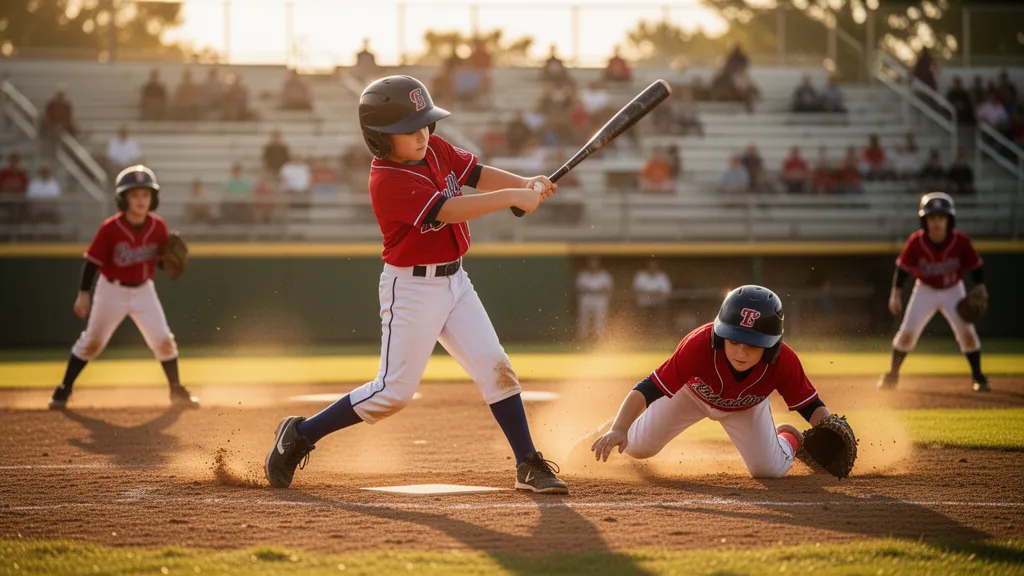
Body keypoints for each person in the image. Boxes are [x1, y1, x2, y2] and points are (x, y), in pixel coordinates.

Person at [264, 75, 567, 494]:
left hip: (455, 281)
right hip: (411, 290)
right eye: (409, 128)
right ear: (380, 138)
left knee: (497, 368)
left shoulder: (436, 148)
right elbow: (449, 209)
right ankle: (299, 434)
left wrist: (523, 183)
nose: (422, 134)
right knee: (392, 394)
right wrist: (514, 197)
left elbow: (476, 173)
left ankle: (528, 463)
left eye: (425, 123)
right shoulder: (386, 179)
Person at [589, 286, 842, 480]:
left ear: (772, 346)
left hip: (746, 407)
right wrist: (620, 427)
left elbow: (810, 405)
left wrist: (829, 435)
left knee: (768, 470)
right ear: (721, 336)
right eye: (733, 341)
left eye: (752, 345)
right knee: (638, 447)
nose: (740, 353)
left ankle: (789, 437)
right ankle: (612, 429)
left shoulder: (783, 361)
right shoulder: (699, 345)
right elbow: (648, 388)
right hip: (691, 396)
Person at [47, 166, 199, 410]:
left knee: (163, 340)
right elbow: (92, 262)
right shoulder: (110, 228)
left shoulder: (158, 226)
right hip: (112, 290)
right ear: (123, 199)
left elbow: (158, 260)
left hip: (143, 290)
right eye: (135, 195)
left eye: (146, 195)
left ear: (153, 198)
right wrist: (83, 294)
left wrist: (167, 262)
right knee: (92, 343)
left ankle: (176, 390)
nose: (141, 200)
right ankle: (64, 389)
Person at [879, 193, 989, 393]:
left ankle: (979, 377)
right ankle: (892, 375)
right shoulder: (916, 241)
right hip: (925, 290)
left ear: (949, 220)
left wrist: (981, 286)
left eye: (941, 217)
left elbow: (975, 267)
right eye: (932, 218)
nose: (937, 222)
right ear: (925, 220)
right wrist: (895, 294)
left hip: (953, 290)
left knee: (967, 334)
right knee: (908, 333)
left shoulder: (961, 241)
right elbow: (902, 270)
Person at [576, 257, 613, 342]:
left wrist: (591, 290)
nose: (593, 265)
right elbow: (578, 289)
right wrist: (595, 290)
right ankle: (583, 338)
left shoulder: (604, 275)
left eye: (595, 262)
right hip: (586, 299)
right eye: (591, 262)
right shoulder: (583, 274)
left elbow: (607, 289)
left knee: (600, 320)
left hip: (600, 300)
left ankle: (599, 338)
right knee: (584, 320)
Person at [633, 260, 672, 336]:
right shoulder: (641, 275)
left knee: (657, 323)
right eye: (650, 266)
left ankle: (657, 337)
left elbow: (666, 291)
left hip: (658, 305)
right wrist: (655, 292)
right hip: (643, 305)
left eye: (654, 266)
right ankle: (643, 336)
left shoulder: (662, 276)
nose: (652, 268)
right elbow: (637, 289)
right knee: (644, 323)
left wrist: (649, 293)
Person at [0, 153, 29, 222]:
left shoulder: (22, 173)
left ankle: (16, 226)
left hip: (18, 198)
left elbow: (25, 187)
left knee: (17, 206)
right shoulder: (5, 173)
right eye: (12, 161)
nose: (14, 163)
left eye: (16, 161)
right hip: (6, 197)